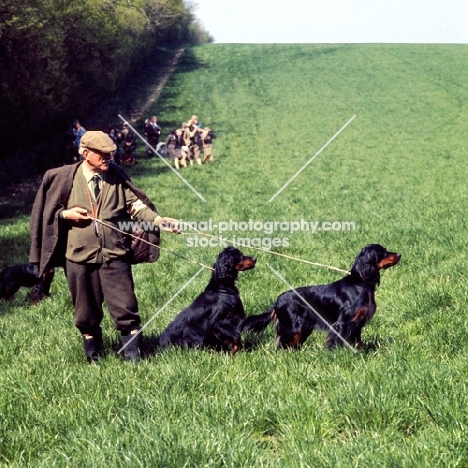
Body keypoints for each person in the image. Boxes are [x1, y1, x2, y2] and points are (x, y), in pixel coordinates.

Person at [29, 131, 180, 363]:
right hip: (79, 257)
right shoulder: (63, 178)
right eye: (103, 154)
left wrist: (159, 221)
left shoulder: (116, 176)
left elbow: (136, 207)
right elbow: (46, 212)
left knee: (126, 308)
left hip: (114, 255)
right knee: (85, 313)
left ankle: (133, 358)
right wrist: (65, 214)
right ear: (85, 152)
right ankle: (94, 358)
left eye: (111, 153)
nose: (108, 158)